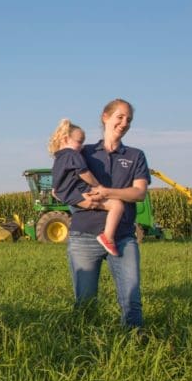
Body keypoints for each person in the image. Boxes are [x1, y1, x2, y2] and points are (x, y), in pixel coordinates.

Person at [53, 100, 150, 328]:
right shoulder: (82, 151)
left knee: (132, 301)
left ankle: (134, 344)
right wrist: (87, 202)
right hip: (84, 236)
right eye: (120, 116)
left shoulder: (136, 156)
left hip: (123, 237)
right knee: (85, 304)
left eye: (129, 119)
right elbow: (61, 190)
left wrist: (107, 192)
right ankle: (85, 350)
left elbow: (139, 193)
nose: (124, 123)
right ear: (105, 117)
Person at [48, 118, 124, 256]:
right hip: (82, 192)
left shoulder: (58, 159)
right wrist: (98, 186)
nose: (82, 147)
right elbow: (84, 173)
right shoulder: (72, 154)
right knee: (117, 205)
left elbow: (55, 190)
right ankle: (108, 237)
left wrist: (71, 198)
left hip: (72, 198)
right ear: (65, 139)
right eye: (79, 142)